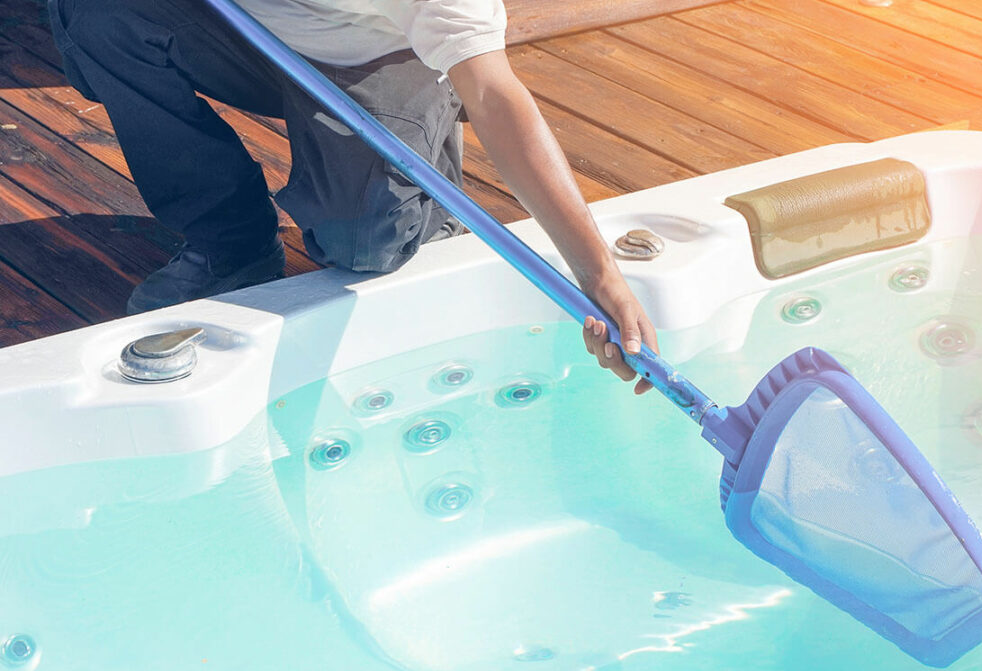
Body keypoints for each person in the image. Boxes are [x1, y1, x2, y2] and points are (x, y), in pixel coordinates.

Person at [46, 0, 657, 393]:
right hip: (247, 30)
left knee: (366, 244)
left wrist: (599, 277)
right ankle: (229, 243)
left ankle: (424, 149)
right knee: (100, 16)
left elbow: (498, 97)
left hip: (376, 60)